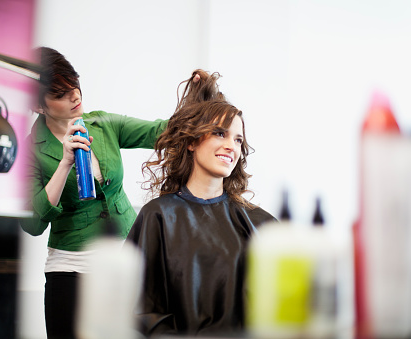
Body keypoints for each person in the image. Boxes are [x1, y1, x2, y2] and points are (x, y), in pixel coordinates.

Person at [20, 47, 168, 339]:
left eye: (74, 84)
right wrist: (64, 164)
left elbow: (161, 131)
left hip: (126, 255)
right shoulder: (30, 149)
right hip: (70, 266)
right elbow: (33, 223)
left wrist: (198, 97)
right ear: (39, 106)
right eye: (60, 94)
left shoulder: (103, 124)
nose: (75, 95)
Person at [126, 69, 276, 336]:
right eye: (220, 133)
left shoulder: (260, 223)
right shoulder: (158, 217)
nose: (232, 146)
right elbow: (139, 310)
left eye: (238, 139)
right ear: (193, 141)